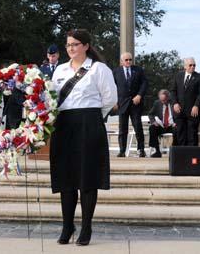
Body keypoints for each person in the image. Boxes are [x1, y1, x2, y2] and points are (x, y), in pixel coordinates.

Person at [50, 29, 117, 246]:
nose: (71, 48)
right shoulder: (59, 70)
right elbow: (51, 98)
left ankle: (86, 226)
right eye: (68, 45)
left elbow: (109, 99)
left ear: (86, 46)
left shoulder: (98, 69)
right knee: (66, 178)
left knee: (87, 178)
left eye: (75, 44)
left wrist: (92, 118)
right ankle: (67, 225)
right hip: (63, 125)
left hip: (89, 123)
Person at [112, 52, 147, 157]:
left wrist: (139, 95)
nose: (128, 62)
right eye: (126, 60)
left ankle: (141, 149)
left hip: (135, 103)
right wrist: (114, 102)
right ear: (122, 61)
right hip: (122, 104)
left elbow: (144, 83)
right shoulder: (116, 71)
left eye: (130, 60)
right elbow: (112, 87)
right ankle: (122, 150)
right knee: (123, 129)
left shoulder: (138, 70)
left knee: (138, 127)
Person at [170, 57, 200, 146]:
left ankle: (192, 155)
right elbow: (173, 91)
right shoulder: (178, 76)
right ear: (185, 66)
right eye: (190, 65)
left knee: (192, 134)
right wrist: (175, 103)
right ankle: (182, 155)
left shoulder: (199, 77)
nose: (193, 67)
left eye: (194, 65)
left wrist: (196, 105)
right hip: (179, 111)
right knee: (180, 133)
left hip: (193, 111)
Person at [147, 89, 176, 157]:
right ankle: (157, 151)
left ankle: (174, 151)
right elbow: (150, 114)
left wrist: (176, 122)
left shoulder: (173, 103)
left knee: (177, 130)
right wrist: (154, 122)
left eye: (164, 100)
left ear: (168, 98)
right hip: (162, 126)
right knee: (152, 128)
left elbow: (179, 114)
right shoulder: (157, 103)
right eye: (161, 100)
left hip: (172, 125)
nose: (163, 102)